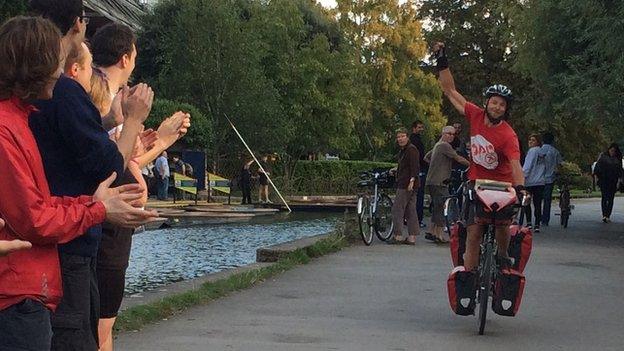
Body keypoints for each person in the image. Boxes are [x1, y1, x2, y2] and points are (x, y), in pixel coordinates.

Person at [0, 16, 157, 350]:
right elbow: (35, 218)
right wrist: (98, 209)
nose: (63, 73)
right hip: (18, 290)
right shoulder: (8, 126)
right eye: (58, 62)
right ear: (37, 66)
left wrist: (94, 206)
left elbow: (40, 204)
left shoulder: (23, 118)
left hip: (34, 282)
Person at [433, 41, 526, 271]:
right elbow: (450, 91)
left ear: (506, 109)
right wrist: (442, 61)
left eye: (502, 105)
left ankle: (503, 256)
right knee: (474, 233)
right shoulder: (475, 115)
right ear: (487, 103)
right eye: (494, 102)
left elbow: (515, 164)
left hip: (503, 186)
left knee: (503, 225)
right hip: (478, 184)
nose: (496, 107)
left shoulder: (508, 135)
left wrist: (521, 188)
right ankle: (470, 276)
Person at [424, 126, 470, 243]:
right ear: (443, 133)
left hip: (432, 180)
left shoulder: (437, 145)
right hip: (440, 181)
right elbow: (458, 158)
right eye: (448, 133)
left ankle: (432, 231)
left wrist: (436, 164)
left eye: (453, 134)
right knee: (443, 205)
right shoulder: (445, 145)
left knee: (437, 206)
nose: (451, 136)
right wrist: (472, 165)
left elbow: (426, 157)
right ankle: (439, 234)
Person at [389, 128, 421, 245]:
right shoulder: (403, 150)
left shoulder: (411, 150)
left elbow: (415, 166)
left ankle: (398, 235)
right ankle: (412, 236)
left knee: (398, 208)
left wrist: (412, 180)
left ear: (407, 137)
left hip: (406, 184)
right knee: (410, 210)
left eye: (402, 136)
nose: (400, 139)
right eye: (398, 137)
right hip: (409, 183)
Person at [593, 143, 623, 223]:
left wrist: (619, 181)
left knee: (610, 198)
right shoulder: (603, 158)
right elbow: (597, 168)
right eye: (611, 150)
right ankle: (604, 215)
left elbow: (620, 171)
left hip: (613, 181)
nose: (612, 152)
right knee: (604, 197)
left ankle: (608, 215)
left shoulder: (617, 159)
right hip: (604, 180)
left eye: (614, 151)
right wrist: (596, 178)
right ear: (609, 150)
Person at [522, 134, 546, 232]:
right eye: (530, 140)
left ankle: (528, 223)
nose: (530, 142)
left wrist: (522, 176)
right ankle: (537, 224)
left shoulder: (532, 151)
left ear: (537, 142)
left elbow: (528, 166)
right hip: (540, 181)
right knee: (537, 203)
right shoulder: (542, 152)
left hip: (530, 181)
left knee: (527, 201)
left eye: (533, 140)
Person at [540, 132, 562, 226]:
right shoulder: (555, 151)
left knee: (537, 199)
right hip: (550, 178)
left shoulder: (538, 150)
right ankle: (545, 219)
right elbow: (559, 165)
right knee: (547, 199)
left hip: (538, 179)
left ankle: (538, 217)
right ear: (552, 141)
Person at [410, 120, 428, 227]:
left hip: (419, 168)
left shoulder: (414, 140)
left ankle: (413, 218)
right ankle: (417, 219)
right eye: (419, 127)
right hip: (420, 169)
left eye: (422, 127)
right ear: (414, 128)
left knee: (415, 196)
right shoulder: (414, 141)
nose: (421, 129)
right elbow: (420, 156)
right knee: (418, 195)